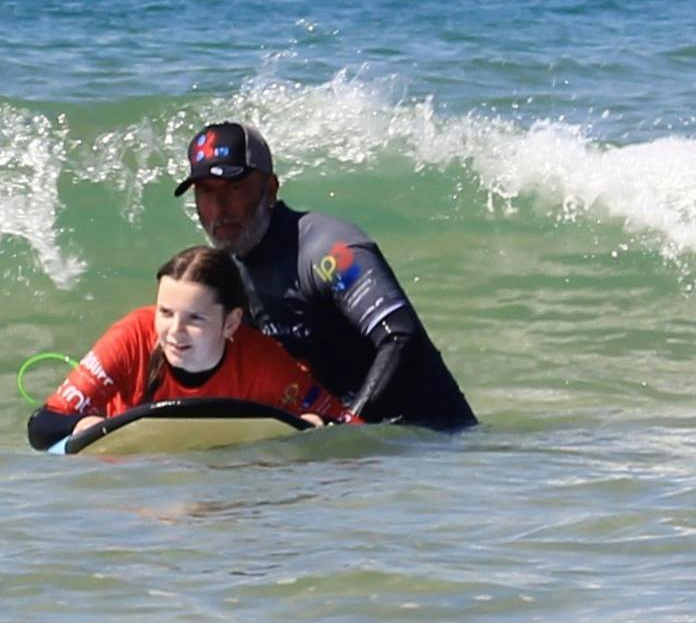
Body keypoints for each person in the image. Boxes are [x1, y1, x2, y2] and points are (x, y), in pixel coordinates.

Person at [170, 120, 476, 427]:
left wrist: (348, 429)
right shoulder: (229, 272)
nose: (220, 208)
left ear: (270, 189)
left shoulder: (328, 250)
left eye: (234, 187)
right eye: (206, 191)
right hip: (354, 455)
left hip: (430, 443)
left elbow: (400, 336)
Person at [27, 245, 350, 450]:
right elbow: (42, 426)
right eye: (165, 313)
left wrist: (314, 431)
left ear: (231, 323)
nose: (174, 332)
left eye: (195, 318)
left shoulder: (261, 361)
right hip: (134, 476)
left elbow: (347, 427)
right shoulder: (132, 337)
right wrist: (82, 425)